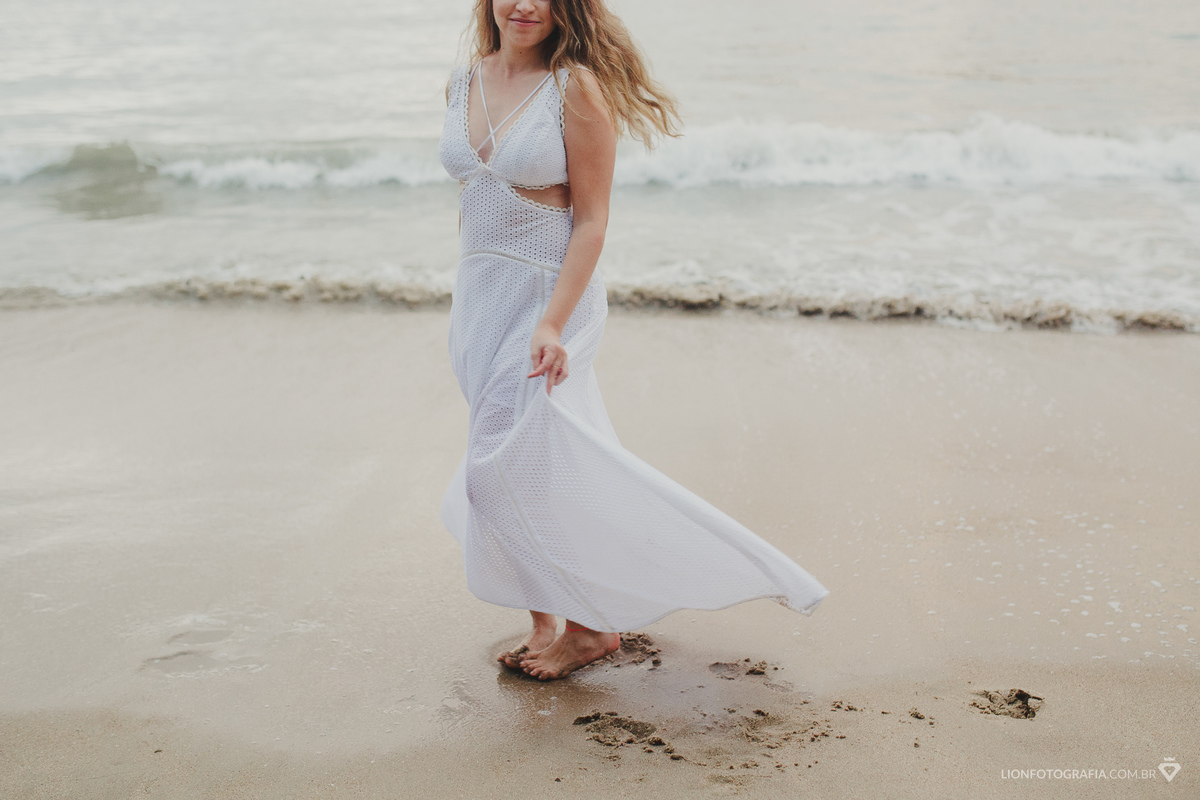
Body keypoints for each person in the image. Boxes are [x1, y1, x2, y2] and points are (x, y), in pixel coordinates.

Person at [437, 0, 829, 681]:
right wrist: (469, 302)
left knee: (491, 476)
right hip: (481, 305)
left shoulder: (574, 88)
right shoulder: (463, 81)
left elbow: (591, 220)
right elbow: (473, 207)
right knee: (528, 462)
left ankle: (591, 627)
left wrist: (553, 323)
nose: (525, 3)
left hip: (548, 303)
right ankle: (547, 620)